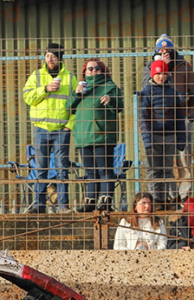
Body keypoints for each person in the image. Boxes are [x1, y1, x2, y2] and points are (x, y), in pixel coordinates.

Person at [144, 35, 194, 200]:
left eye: (167, 49)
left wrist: (190, 117)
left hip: (181, 120)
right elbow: (145, 90)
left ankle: (183, 195)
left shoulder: (184, 66)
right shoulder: (149, 67)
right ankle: (168, 195)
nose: (164, 52)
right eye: (161, 50)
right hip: (160, 123)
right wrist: (162, 68)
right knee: (164, 161)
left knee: (183, 159)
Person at [23, 42, 75, 213]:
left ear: (60, 58)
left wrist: (69, 126)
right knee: (41, 169)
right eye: (47, 55)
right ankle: (39, 206)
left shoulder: (69, 77)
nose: (50, 58)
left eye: (53, 55)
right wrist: (45, 89)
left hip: (61, 130)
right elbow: (27, 97)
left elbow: (77, 103)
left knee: (62, 169)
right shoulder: (37, 76)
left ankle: (63, 206)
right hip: (41, 129)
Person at [69, 59, 123, 212]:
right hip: (83, 137)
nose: (93, 71)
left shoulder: (110, 86)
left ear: (103, 70)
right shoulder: (80, 88)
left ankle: (106, 200)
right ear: (84, 72)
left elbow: (120, 105)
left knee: (104, 169)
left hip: (102, 135)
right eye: (89, 69)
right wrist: (76, 94)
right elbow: (68, 107)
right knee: (90, 171)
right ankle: (90, 201)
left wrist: (110, 100)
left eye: (97, 68)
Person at [138, 61, 187, 210]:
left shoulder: (172, 93)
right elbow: (144, 118)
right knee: (154, 170)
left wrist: (181, 139)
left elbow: (179, 117)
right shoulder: (147, 92)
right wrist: (147, 140)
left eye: (164, 73)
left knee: (167, 168)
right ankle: (155, 200)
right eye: (158, 73)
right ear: (153, 74)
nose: (161, 76)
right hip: (154, 137)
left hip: (170, 136)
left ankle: (167, 199)